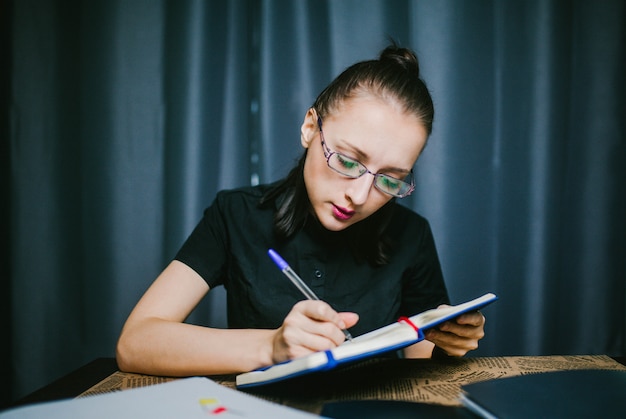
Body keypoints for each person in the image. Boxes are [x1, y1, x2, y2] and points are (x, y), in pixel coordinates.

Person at [116, 43, 486, 377]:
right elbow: (135, 343)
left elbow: (423, 362)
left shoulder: (411, 233)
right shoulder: (236, 215)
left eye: (390, 179)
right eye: (347, 160)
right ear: (310, 127)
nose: (359, 196)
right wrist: (270, 347)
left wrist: (447, 348)